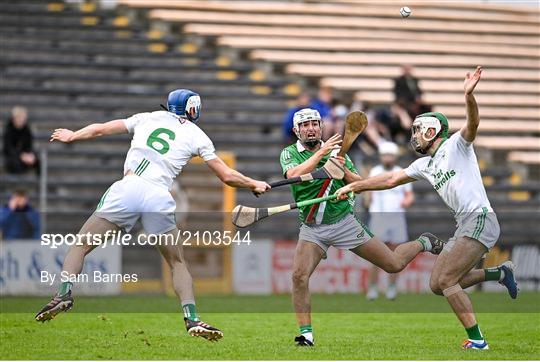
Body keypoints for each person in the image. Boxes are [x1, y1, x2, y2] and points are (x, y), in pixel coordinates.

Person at [35, 89, 270, 342]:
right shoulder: (198, 135)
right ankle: (191, 318)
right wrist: (253, 183)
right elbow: (227, 176)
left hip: (127, 189)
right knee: (177, 263)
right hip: (158, 195)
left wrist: (72, 135)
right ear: (193, 109)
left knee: (80, 245)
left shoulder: (148, 117)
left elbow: (101, 128)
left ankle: (63, 294)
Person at [336, 67, 518, 350]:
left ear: (432, 130)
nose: (415, 136)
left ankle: (478, 340)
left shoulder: (457, 146)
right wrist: (354, 185)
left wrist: (469, 96)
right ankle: (499, 274)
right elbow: (390, 179)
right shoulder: (424, 164)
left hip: (480, 219)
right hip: (464, 223)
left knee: (446, 279)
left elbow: (474, 122)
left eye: (418, 130)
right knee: (438, 284)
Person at [280, 108, 446, 347]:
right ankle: (306, 335)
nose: (310, 128)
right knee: (298, 276)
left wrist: (343, 172)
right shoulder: (290, 153)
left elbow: (361, 184)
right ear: (296, 130)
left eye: (314, 123)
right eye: (304, 125)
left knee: (393, 265)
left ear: (320, 127)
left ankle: (424, 242)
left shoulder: (339, 153)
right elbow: (293, 175)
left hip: (343, 222)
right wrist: (323, 156)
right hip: (312, 226)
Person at [365, 142, 414, 301]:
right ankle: (372, 288)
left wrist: (407, 201)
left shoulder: (401, 172)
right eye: (385, 155)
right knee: (376, 256)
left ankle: (391, 288)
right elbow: (369, 194)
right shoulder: (375, 171)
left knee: (396, 255)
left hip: (397, 218)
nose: (387, 158)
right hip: (379, 218)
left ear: (394, 157)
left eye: (390, 155)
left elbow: (409, 195)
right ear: (381, 156)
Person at [3, 106, 40, 175]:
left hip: (24, 155)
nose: (20, 120)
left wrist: (29, 155)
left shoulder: (26, 130)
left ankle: (39, 182)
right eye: (18, 118)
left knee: (37, 159)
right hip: (12, 157)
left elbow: (29, 145)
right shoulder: (8, 130)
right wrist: (21, 156)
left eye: (22, 118)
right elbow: (8, 148)